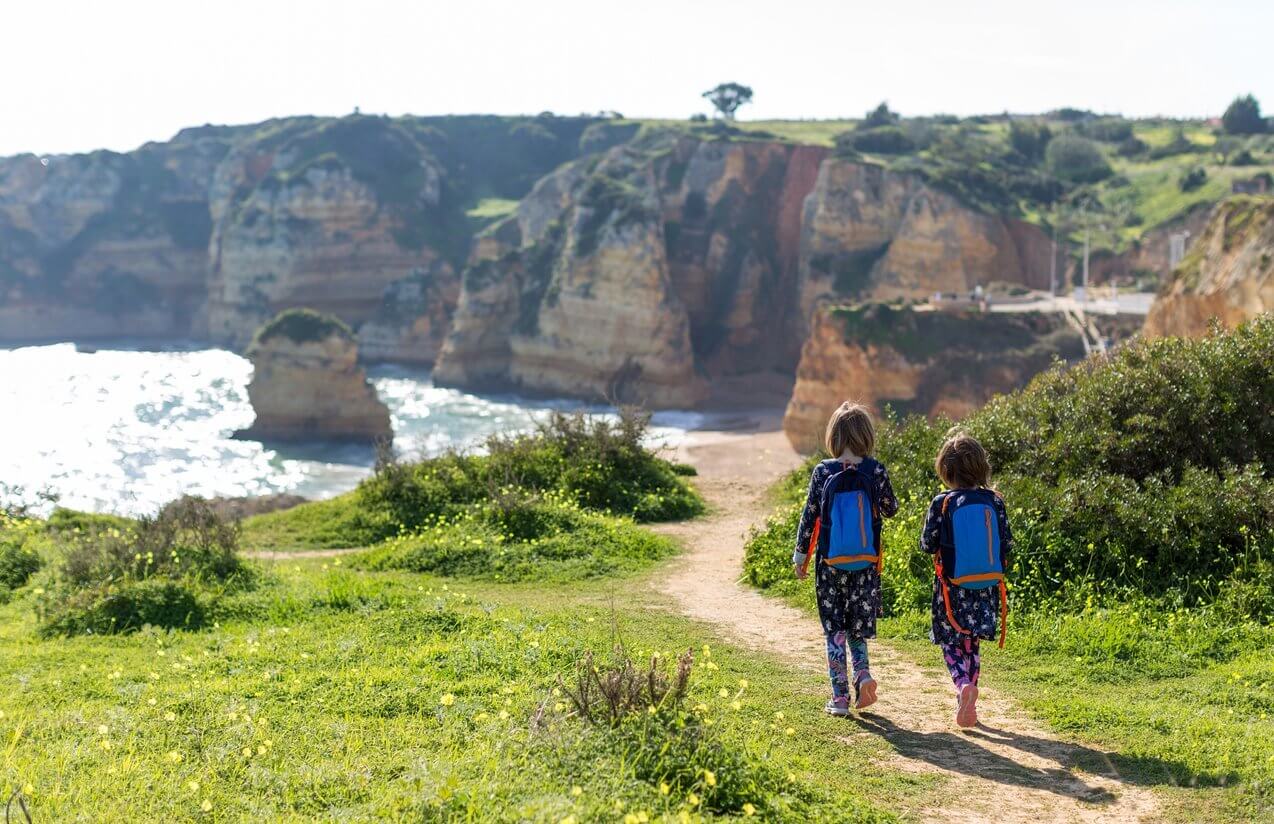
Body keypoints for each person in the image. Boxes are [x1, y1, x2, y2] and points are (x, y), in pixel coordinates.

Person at [793, 402, 899, 716]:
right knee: (856, 626)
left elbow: (809, 517)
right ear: (866, 436)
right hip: (866, 563)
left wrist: (801, 556)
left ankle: (840, 698)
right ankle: (863, 674)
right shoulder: (874, 469)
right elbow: (891, 509)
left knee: (835, 629)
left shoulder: (823, 471)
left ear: (834, 437)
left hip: (829, 563)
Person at [920, 432, 1012, 728]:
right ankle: (970, 696)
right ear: (982, 468)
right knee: (971, 641)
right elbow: (1007, 544)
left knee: (950, 641)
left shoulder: (943, 502)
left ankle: (962, 686)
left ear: (946, 470)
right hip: (985, 586)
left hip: (950, 587)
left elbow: (927, 543)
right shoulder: (994, 501)